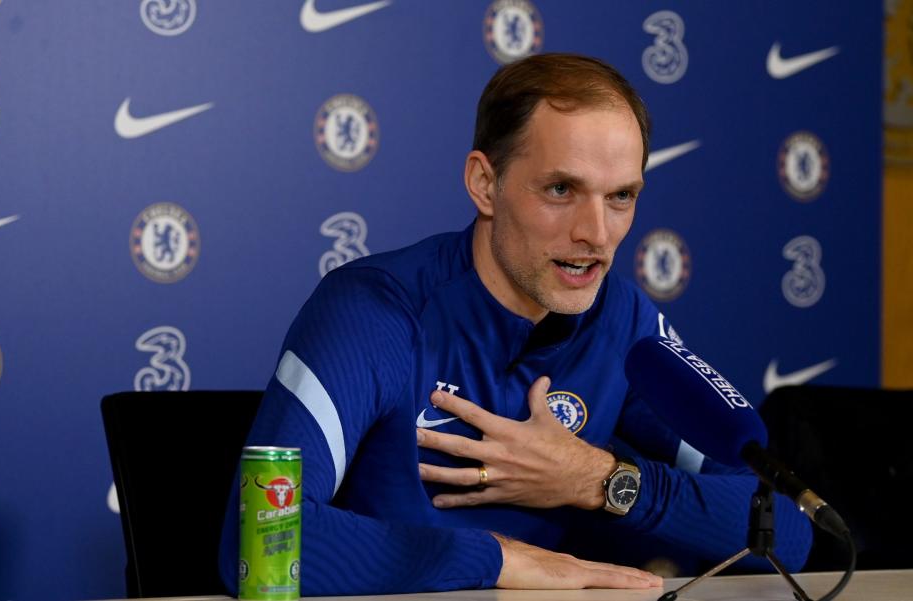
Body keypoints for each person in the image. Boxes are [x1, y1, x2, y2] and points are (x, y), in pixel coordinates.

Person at [219, 53, 813, 595]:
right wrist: (498, 560)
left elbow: (789, 531)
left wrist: (600, 481)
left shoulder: (624, 321)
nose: (597, 234)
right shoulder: (377, 310)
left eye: (621, 197)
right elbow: (261, 541)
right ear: (485, 183)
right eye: (561, 189)